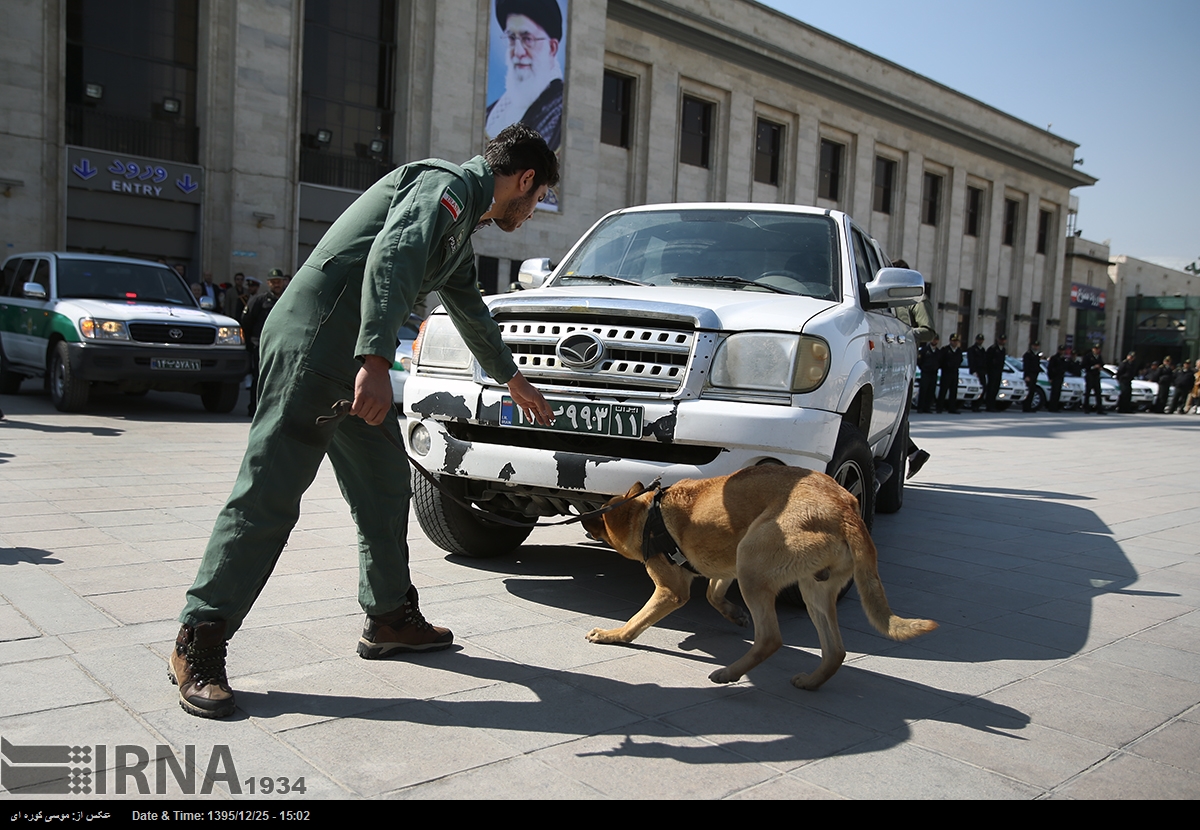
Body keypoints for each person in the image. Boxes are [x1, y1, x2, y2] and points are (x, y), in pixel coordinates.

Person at [169, 124, 560, 720]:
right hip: (318, 347)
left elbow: (470, 310)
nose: (532, 214)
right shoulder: (445, 188)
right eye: (537, 200)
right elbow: (393, 255)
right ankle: (198, 639)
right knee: (270, 493)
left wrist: (513, 379)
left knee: (382, 482)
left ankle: (389, 617)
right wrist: (376, 360)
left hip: (351, 360)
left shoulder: (457, 231)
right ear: (525, 179)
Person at [486, 0, 564, 152]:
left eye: (527, 39)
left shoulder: (559, 110)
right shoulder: (493, 112)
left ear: (552, 48)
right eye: (512, 39)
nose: (518, 51)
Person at [241, 270, 286, 418]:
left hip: (281, 345)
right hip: (261, 346)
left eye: (278, 281)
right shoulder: (259, 300)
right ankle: (254, 409)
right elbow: (246, 322)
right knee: (259, 377)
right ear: (268, 283)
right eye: (273, 281)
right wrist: (251, 343)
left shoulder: (287, 299)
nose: (276, 284)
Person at [938, 333, 962, 413]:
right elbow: (941, 360)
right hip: (946, 373)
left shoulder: (959, 350)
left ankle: (952, 408)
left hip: (955, 373)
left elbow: (960, 360)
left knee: (953, 391)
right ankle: (939, 407)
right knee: (943, 390)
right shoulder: (945, 349)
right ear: (950, 341)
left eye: (956, 341)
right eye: (953, 341)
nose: (955, 343)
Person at [917, 334, 940, 413]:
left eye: (936, 340)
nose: (935, 341)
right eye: (933, 339)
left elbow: (940, 362)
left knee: (931, 391)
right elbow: (919, 361)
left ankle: (927, 407)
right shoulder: (925, 350)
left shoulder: (938, 351)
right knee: (923, 390)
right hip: (925, 373)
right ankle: (920, 408)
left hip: (934, 373)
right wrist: (923, 368)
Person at [1080, 343, 1106, 414]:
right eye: (1096, 349)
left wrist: (1100, 367)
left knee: (1098, 393)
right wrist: (1093, 367)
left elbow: (1102, 364)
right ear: (1093, 349)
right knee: (1088, 392)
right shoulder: (1088, 356)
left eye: (1098, 349)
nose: (1097, 350)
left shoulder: (1099, 357)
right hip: (1090, 375)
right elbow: (1083, 366)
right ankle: (1086, 408)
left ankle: (1100, 409)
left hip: (1096, 376)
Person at [984, 334, 1008, 411]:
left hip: (999, 371)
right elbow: (988, 360)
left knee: (996, 388)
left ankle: (993, 405)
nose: (1002, 341)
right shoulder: (992, 349)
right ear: (997, 340)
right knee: (991, 388)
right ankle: (989, 406)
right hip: (992, 371)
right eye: (1001, 340)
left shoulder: (1003, 349)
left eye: (1003, 340)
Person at [967, 333, 987, 411]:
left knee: (983, 388)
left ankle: (978, 405)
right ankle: (973, 405)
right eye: (979, 340)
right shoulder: (972, 349)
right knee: (975, 389)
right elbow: (971, 361)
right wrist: (973, 371)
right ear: (976, 340)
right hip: (975, 372)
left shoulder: (982, 350)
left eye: (981, 340)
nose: (980, 341)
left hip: (982, 372)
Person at [1021, 341, 1041, 412]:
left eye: (1037, 346)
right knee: (1028, 391)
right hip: (1029, 375)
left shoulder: (1037, 355)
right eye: (1034, 345)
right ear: (1032, 346)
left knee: (1032, 391)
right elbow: (1026, 366)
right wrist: (1026, 376)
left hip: (1034, 375)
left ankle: (1029, 407)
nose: (1036, 347)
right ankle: (1025, 407)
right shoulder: (1028, 355)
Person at [1047, 345, 1068, 412]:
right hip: (1055, 377)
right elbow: (1050, 368)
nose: (1062, 351)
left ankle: (1055, 407)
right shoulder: (1054, 358)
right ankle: (1052, 407)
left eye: (1063, 350)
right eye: (1061, 350)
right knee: (1054, 393)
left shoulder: (1063, 359)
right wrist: (1050, 377)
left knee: (1058, 393)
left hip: (1060, 377)